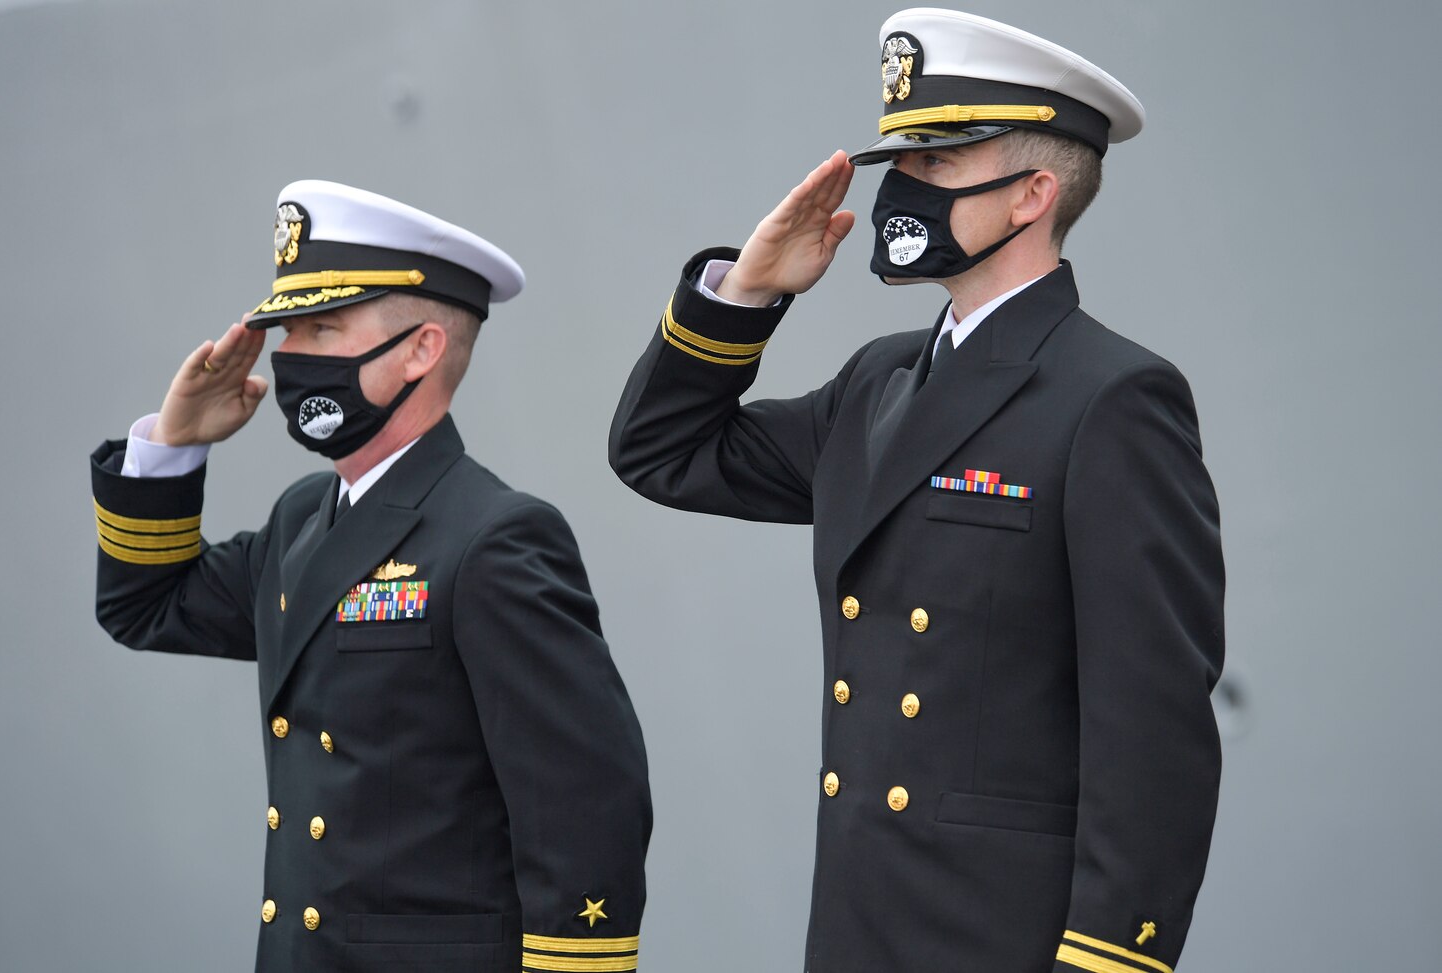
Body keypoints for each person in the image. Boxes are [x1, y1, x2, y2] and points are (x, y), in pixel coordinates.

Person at [609, 8, 1222, 973]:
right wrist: (747, 291)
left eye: (936, 164)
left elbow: (1151, 727)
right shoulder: (878, 382)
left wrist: (1108, 960)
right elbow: (664, 451)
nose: (899, 189)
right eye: (900, 161)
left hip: (1003, 939)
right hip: (859, 925)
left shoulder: (1112, 398)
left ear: (1030, 195)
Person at [92, 180, 651, 973]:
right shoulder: (301, 519)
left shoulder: (494, 537)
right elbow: (147, 605)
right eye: (289, 331)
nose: (290, 357)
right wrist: (175, 444)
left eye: (324, 328)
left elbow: (587, 808)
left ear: (421, 348)